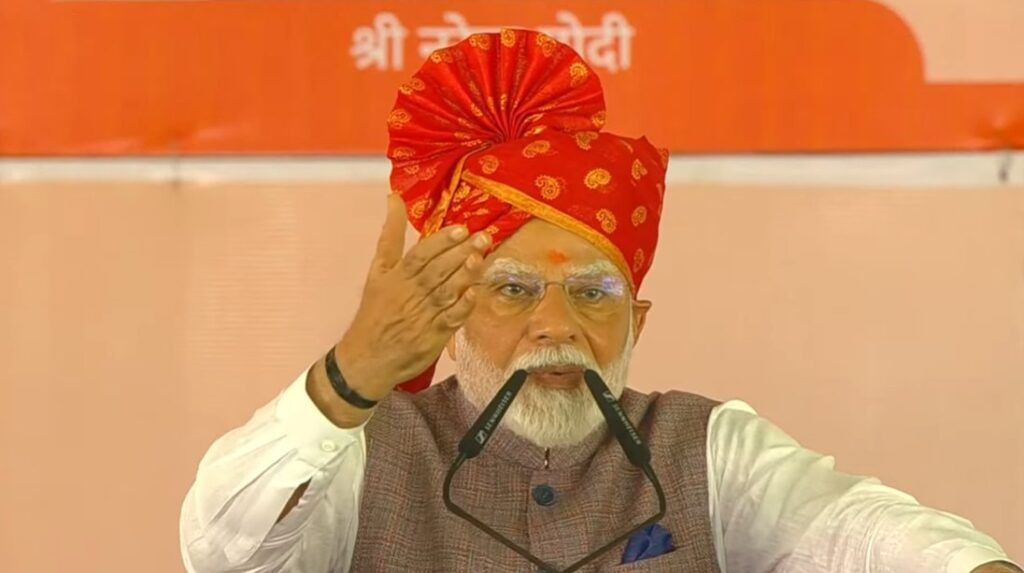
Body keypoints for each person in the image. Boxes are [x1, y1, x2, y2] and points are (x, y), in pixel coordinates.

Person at [179, 29, 1019, 573]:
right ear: (451, 314)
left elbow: (858, 531)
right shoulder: (366, 452)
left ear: (636, 321)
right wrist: (347, 379)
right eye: (514, 289)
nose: (557, 325)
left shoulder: (705, 448)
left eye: (594, 292)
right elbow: (222, 554)